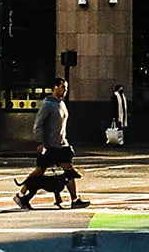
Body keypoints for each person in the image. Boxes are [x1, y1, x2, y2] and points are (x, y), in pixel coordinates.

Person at [28, 79, 84, 208]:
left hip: (61, 144)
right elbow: (38, 125)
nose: (65, 90)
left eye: (66, 88)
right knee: (39, 172)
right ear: (55, 87)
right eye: (63, 87)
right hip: (50, 146)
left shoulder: (62, 104)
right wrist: (40, 142)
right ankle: (22, 195)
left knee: (69, 169)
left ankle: (74, 199)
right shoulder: (48, 104)